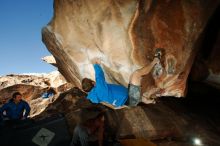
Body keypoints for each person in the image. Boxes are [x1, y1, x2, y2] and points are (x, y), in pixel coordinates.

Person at [81, 53, 160, 107]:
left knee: (138, 93)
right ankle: (155, 61)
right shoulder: (99, 89)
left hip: (127, 99)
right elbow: (99, 76)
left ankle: (149, 101)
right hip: (131, 98)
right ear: (93, 83)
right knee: (137, 74)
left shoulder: (94, 95)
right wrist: (95, 64)